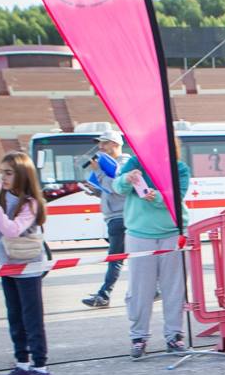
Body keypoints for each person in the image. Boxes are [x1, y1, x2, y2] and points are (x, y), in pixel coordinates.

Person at [0, 152, 53, 375]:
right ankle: (22, 364)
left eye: (9, 172)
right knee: (15, 317)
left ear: (22, 174)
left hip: (29, 267)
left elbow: (12, 230)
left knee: (32, 319)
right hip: (7, 266)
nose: (4, 177)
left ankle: (40, 367)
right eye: (2, 172)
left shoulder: (31, 202)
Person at [116, 142, 192, 358]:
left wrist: (158, 197)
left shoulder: (180, 168)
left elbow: (179, 195)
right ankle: (138, 337)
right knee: (140, 289)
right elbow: (117, 187)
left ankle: (174, 336)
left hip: (172, 233)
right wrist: (126, 179)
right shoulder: (134, 163)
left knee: (174, 288)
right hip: (139, 234)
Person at [81, 129, 129, 308]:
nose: (100, 147)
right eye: (99, 143)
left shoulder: (124, 164)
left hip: (121, 217)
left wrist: (99, 173)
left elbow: (117, 187)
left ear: (115, 144)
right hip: (115, 217)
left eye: (104, 143)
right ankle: (155, 288)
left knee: (115, 258)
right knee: (125, 257)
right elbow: (109, 191)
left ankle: (104, 295)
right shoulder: (110, 164)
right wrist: (94, 190)